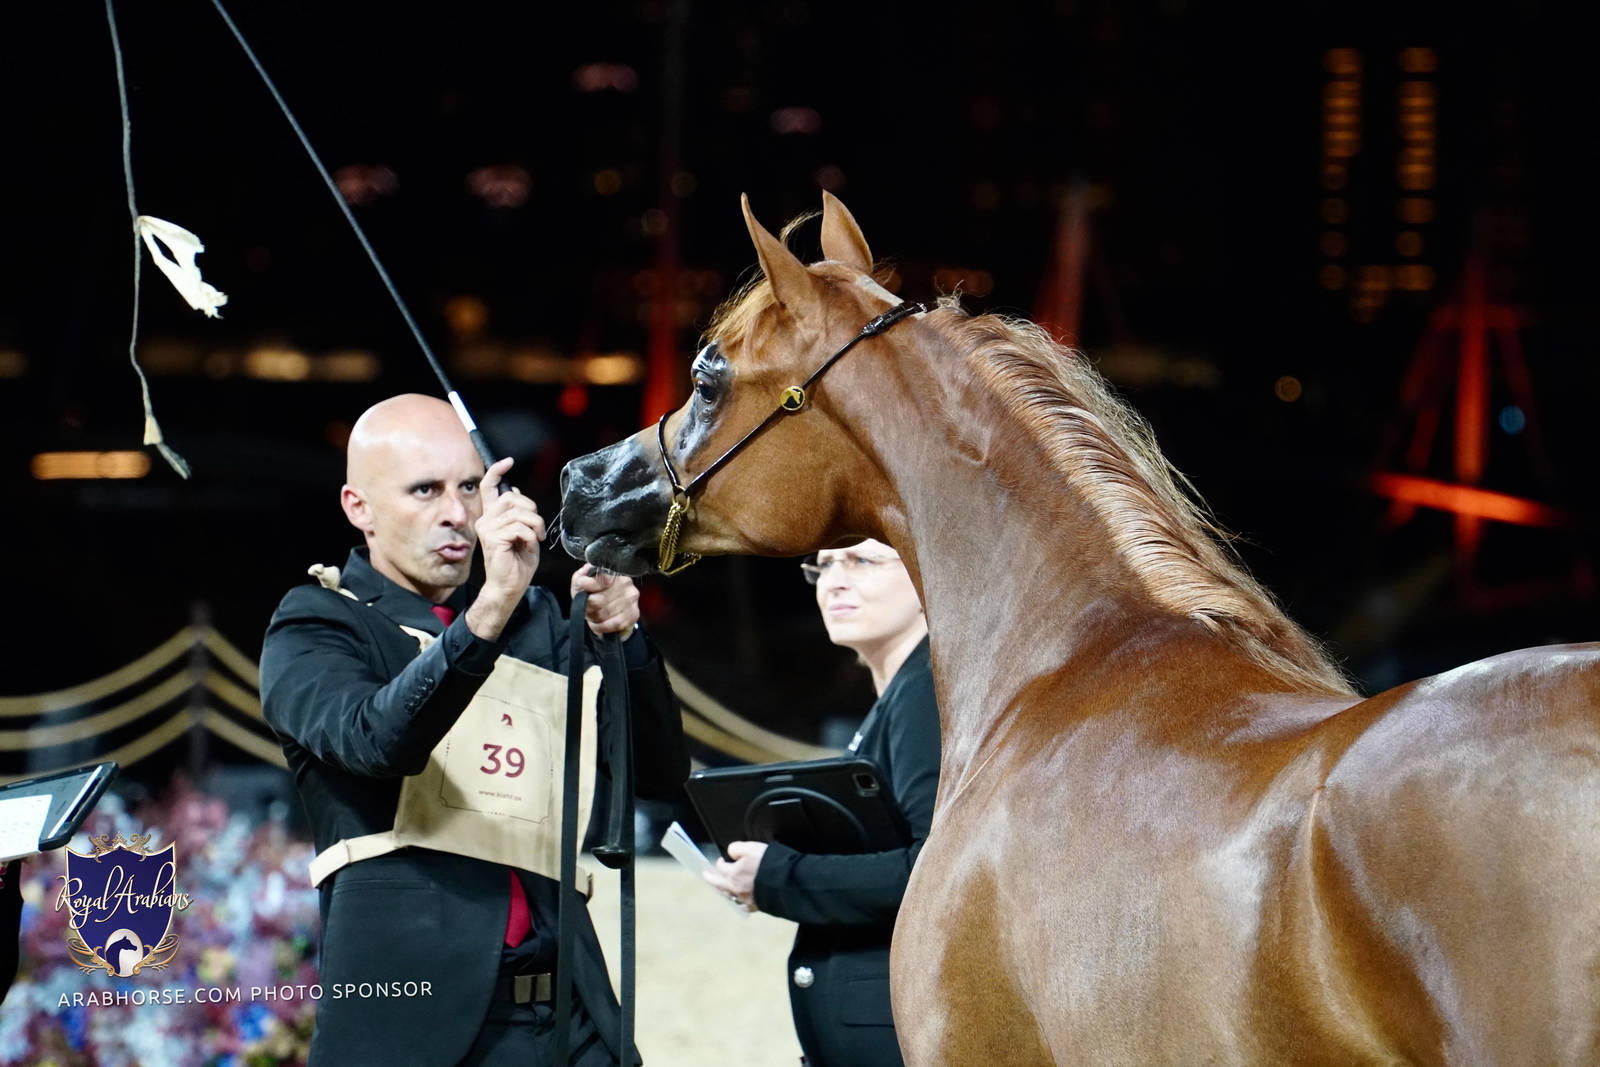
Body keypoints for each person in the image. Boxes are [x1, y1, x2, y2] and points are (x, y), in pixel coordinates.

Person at [259, 394, 688, 1066]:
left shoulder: (535, 619)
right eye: (425, 490)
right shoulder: (317, 622)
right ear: (358, 507)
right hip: (413, 1022)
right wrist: (489, 608)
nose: (457, 513)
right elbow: (378, 742)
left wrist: (626, 637)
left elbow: (659, 774)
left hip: (569, 1012)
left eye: (469, 487)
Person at [703, 539, 940, 1067]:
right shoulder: (906, 692)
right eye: (824, 565)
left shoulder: (924, 690)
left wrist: (777, 877)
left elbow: (932, 871)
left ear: (925, 577)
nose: (835, 581)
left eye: (862, 561)